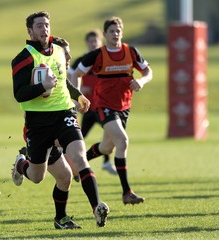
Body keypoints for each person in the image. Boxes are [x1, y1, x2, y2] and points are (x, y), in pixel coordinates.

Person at [11, 11, 109, 228]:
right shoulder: (23, 58)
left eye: (46, 25)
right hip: (38, 124)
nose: (44, 29)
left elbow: (63, 81)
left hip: (64, 114)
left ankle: (94, 208)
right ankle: (21, 165)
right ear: (30, 31)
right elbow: (19, 94)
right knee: (39, 176)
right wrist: (42, 87)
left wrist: (78, 95)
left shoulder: (58, 51)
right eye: (39, 26)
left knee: (79, 158)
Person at [70, 16, 153, 205]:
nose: (115, 34)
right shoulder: (98, 55)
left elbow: (148, 72)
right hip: (104, 105)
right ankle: (127, 192)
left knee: (107, 147)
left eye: (118, 31)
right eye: (111, 31)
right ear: (105, 34)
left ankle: (78, 164)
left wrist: (140, 81)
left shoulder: (131, 52)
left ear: (121, 33)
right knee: (123, 141)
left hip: (124, 106)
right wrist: (77, 97)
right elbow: (76, 74)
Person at [68, 29, 117, 176]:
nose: (93, 43)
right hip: (88, 106)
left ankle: (106, 162)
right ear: (86, 43)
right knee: (80, 136)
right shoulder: (82, 60)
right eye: (90, 41)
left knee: (111, 134)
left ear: (100, 42)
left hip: (103, 105)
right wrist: (80, 89)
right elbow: (70, 76)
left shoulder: (105, 59)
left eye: (95, 40)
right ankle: (75, 163)